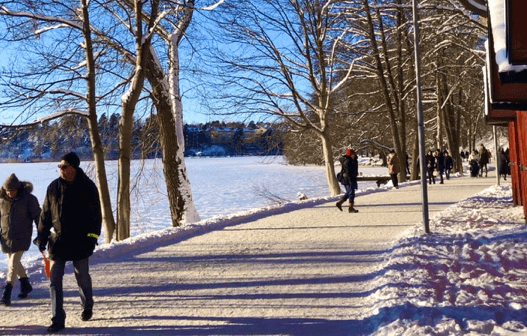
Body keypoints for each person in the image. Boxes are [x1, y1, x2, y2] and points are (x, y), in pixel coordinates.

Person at [33, 152, 102, 333]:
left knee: (82, 277)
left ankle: (87, 305)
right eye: (59, 166)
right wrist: (41, 237)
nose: (61, 170)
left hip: (80, 242)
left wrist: (92, 239)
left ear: (73, 167)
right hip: (58, 242)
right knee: (54, 280)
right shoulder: (53, 187)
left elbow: (96, 217)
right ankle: (57, 319)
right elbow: (45, 215)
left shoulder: (88, 187)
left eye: (64, 166)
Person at [0, 174, 41, 306]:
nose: (10, 193)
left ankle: (7, 293)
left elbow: (38, 217)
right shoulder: (1, 200)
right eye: (8, 191)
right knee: (14, 263)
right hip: (6, 237)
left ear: (18, 189)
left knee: (12, 264)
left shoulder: (28, 199)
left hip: (22, 236)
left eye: (12, 190)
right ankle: (25, 284)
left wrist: (42, 234)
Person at [336, 148, 359, 213]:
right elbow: (348, 171)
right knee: (351, 193)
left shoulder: (353, 160)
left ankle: (339, 203)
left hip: (350, 178)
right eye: (353, 154)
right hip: (348, 179)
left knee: (348, 193)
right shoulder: (348, 161)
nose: (354, 154)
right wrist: (351, 177)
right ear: (350, 154)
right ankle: (350, 208)